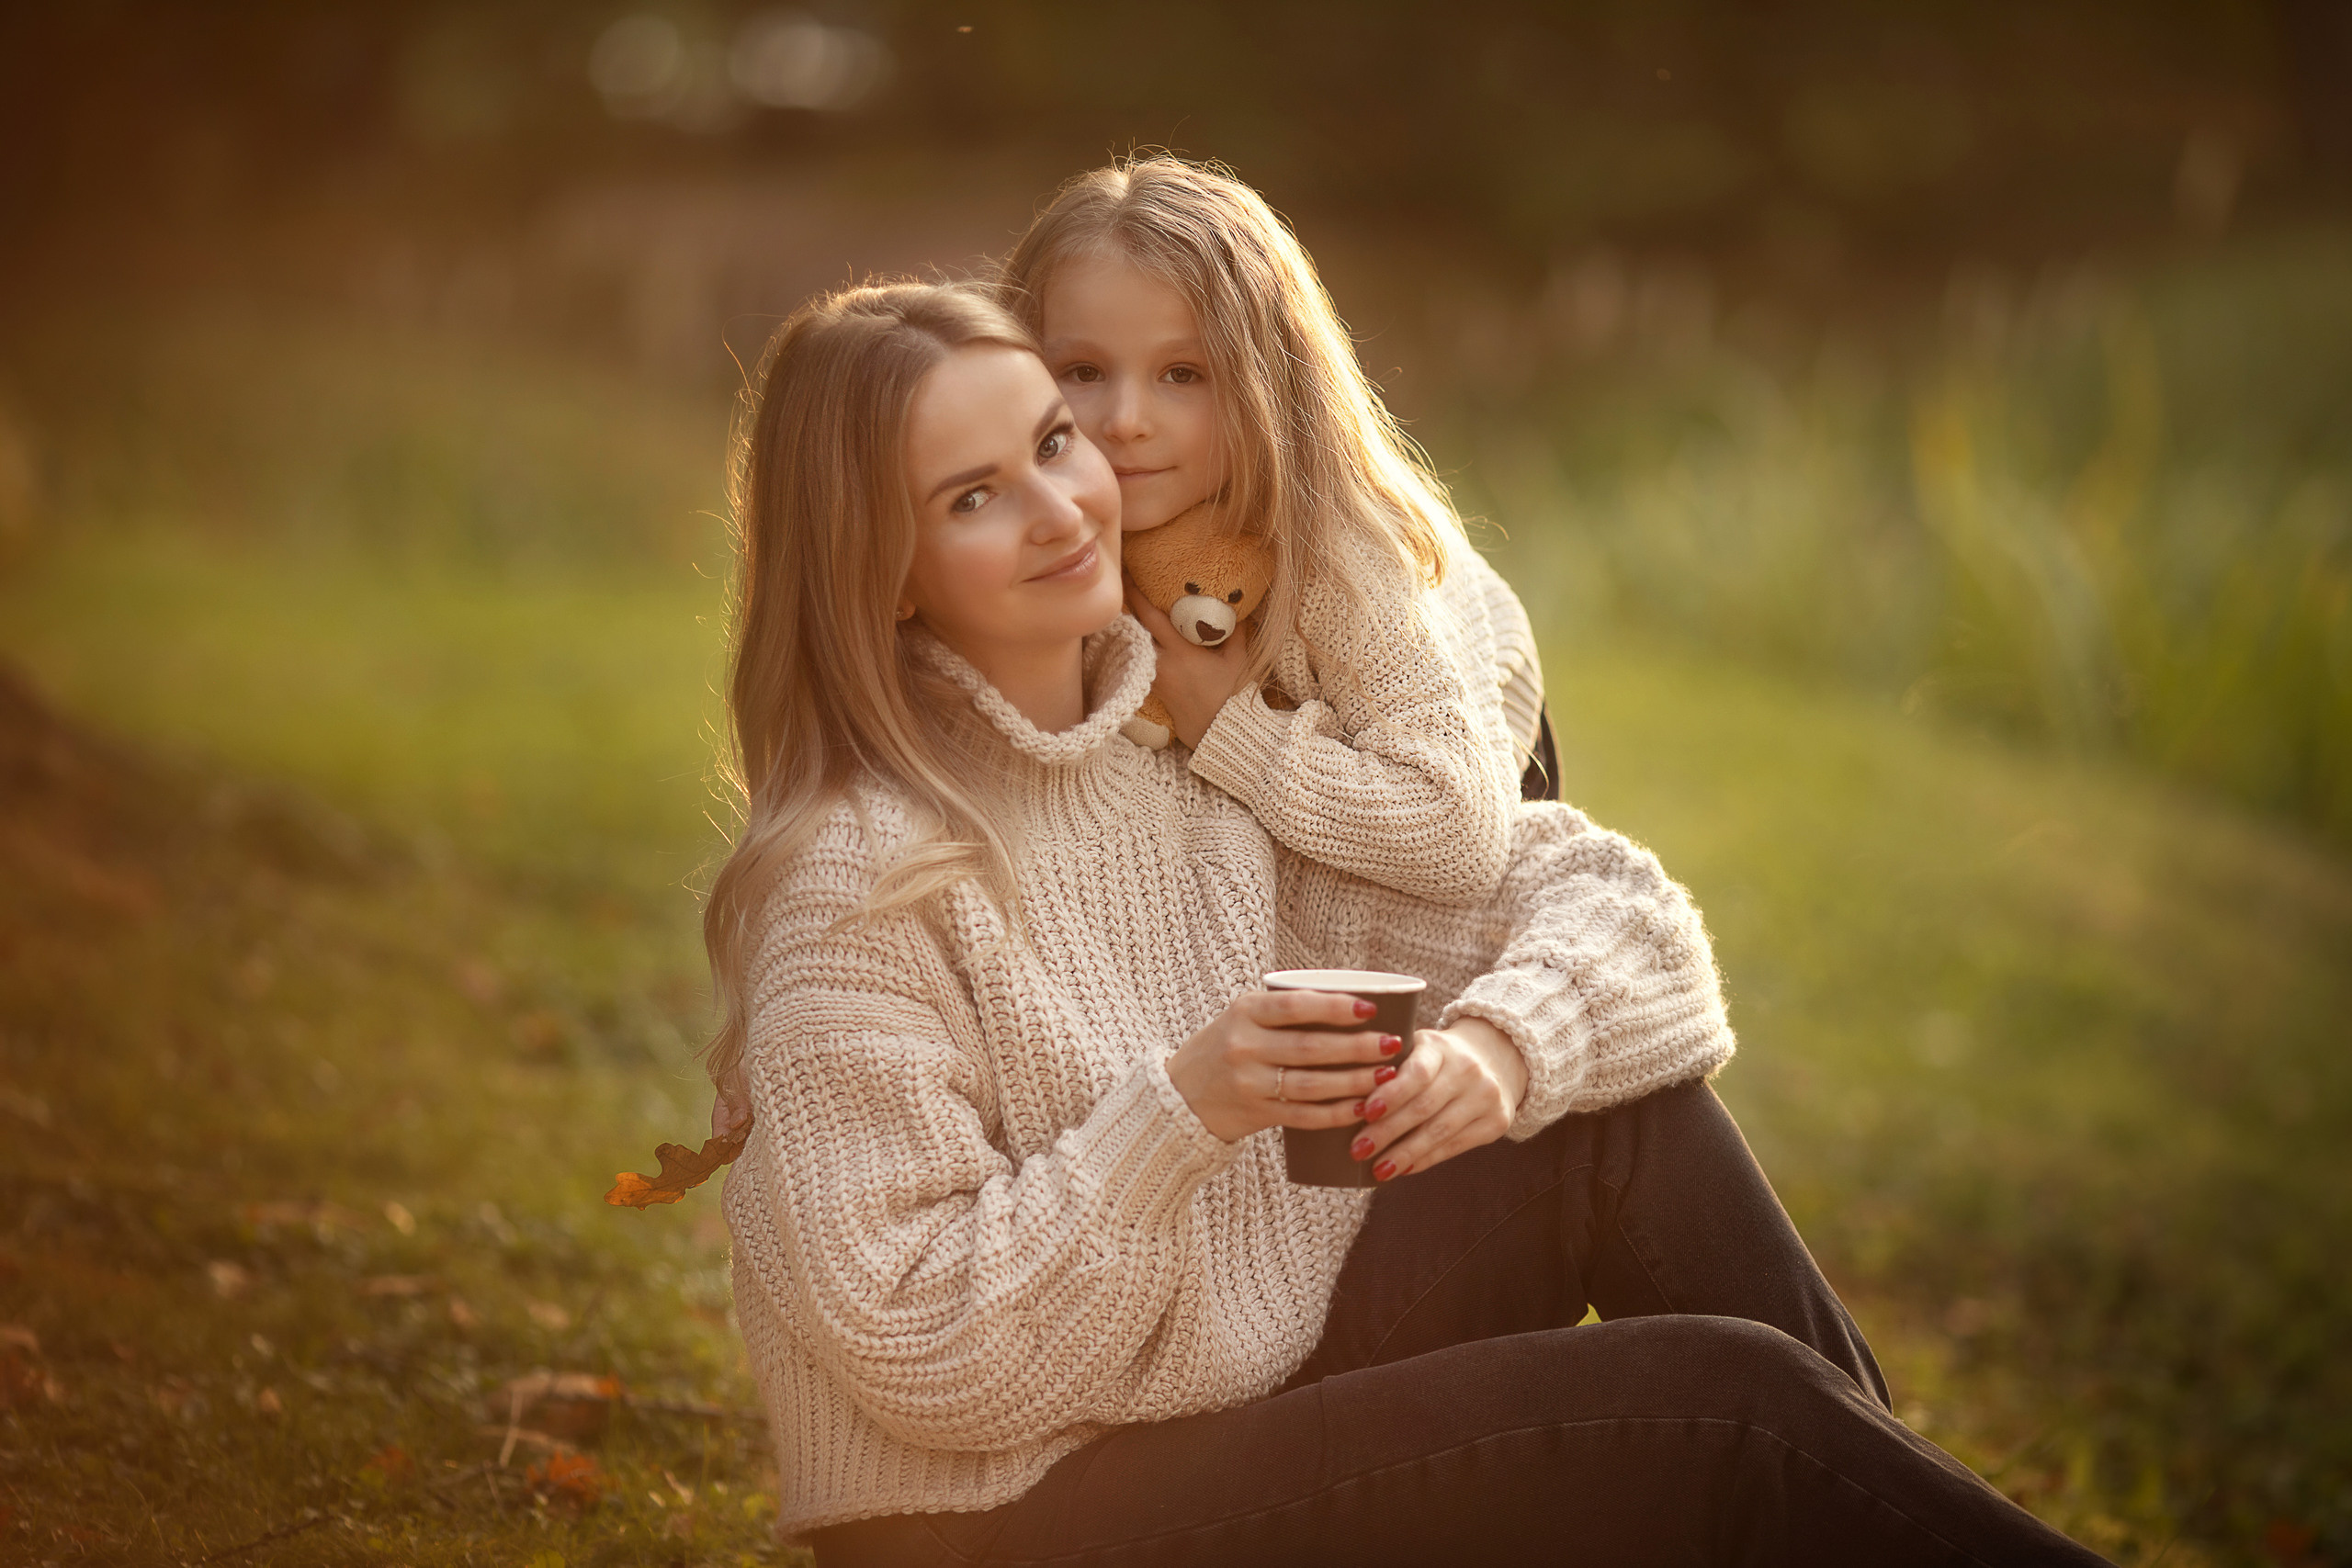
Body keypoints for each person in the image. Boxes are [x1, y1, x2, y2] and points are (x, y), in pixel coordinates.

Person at [707, 277, 2110, 1565]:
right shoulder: (856, 882)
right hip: (1007, 1521)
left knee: (1615, 1121)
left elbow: (1611, 905)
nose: (1066, 508)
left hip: (1235, 1400)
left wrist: (1502, 1051)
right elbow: (917, 1341)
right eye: (973, 497)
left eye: (1054, 444)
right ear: (884, 571)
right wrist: (1183, 1109)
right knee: (1727, 1414)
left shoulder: (1182, 750)